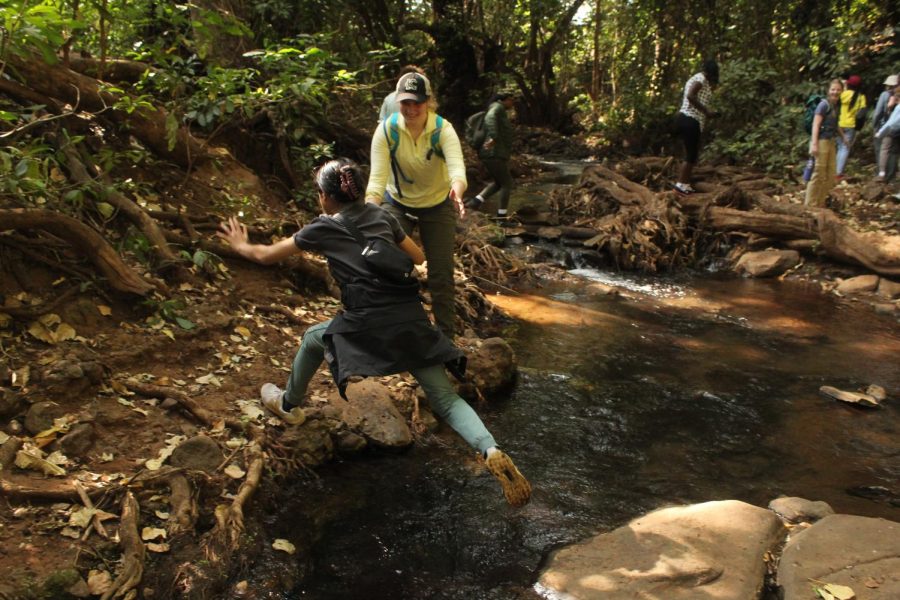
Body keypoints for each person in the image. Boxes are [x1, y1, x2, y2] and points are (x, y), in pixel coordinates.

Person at [216, 159, 532, 507]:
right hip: (409, 320)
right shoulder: (383, 216)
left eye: (320, 193)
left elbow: (266, 255)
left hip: (366, 324)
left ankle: (288, 404)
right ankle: (490, 449)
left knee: (313, 339)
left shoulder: (322, 227)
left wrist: (240, 245)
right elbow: (416, 257)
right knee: (445, 399)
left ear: (325, 197)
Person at [365, 71, 467, 338]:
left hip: (437, 203)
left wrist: (457, 190)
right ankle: (386, 328)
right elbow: (376, 181)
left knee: (441, 275)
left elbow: (457, 169)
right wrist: (369, 211)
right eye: (405, 102)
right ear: (397, 101)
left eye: (417, 103)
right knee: (387, 264)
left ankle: (446, 339)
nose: (411, 109)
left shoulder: (442, 129)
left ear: (428, 102)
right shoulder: (386, 130)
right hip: (397, 202)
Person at [465, 92, 516, 219]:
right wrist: (494, 137)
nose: (512, 102)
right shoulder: (497, 108)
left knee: (499, 182)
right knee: (507, 183)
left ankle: (475, 202)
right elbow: (490, 118)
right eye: (511, 100)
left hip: (491, 153)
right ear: (503, 100)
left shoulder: (496, 108)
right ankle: (501, 216)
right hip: (493, 153)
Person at [673, 59, 719, 195]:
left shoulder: (698, 78)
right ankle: (681, 185)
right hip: (690, 120)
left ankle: (685, 183)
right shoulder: (701, 79)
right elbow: (691, 96)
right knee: (691, 155)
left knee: (690, 153)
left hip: (687, 119)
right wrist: (706, 111)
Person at [806, 79, 845, 207]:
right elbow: (816, 124)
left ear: (842, 91)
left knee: (831, 174)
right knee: (818, 173)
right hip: (821, 140)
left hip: (831, 141)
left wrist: (843, 137)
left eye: (838, 89)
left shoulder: (837, 104)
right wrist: (814, 143)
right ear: (829, 90)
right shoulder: (824, 105)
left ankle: (820, 203)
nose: (835, 92)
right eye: (833, 89)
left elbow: (835, 123)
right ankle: (810, 205)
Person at [835, 75, 867, 179]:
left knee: (840, 147)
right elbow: (862, 113)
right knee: (845, 148)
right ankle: (838, 172)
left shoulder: (843, 94)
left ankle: (835, 170)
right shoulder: (861, 97)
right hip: (851, 125)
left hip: (839, 124)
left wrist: (844, 86)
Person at [871, 74, 898, 180]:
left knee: (881, 150)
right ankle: (891, 176)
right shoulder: (898, 96)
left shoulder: (885, 95)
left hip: (884, 127)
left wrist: (874, 125)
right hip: (897, 128)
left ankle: (881, 173)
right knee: (893, 152)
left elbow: (878, 112)